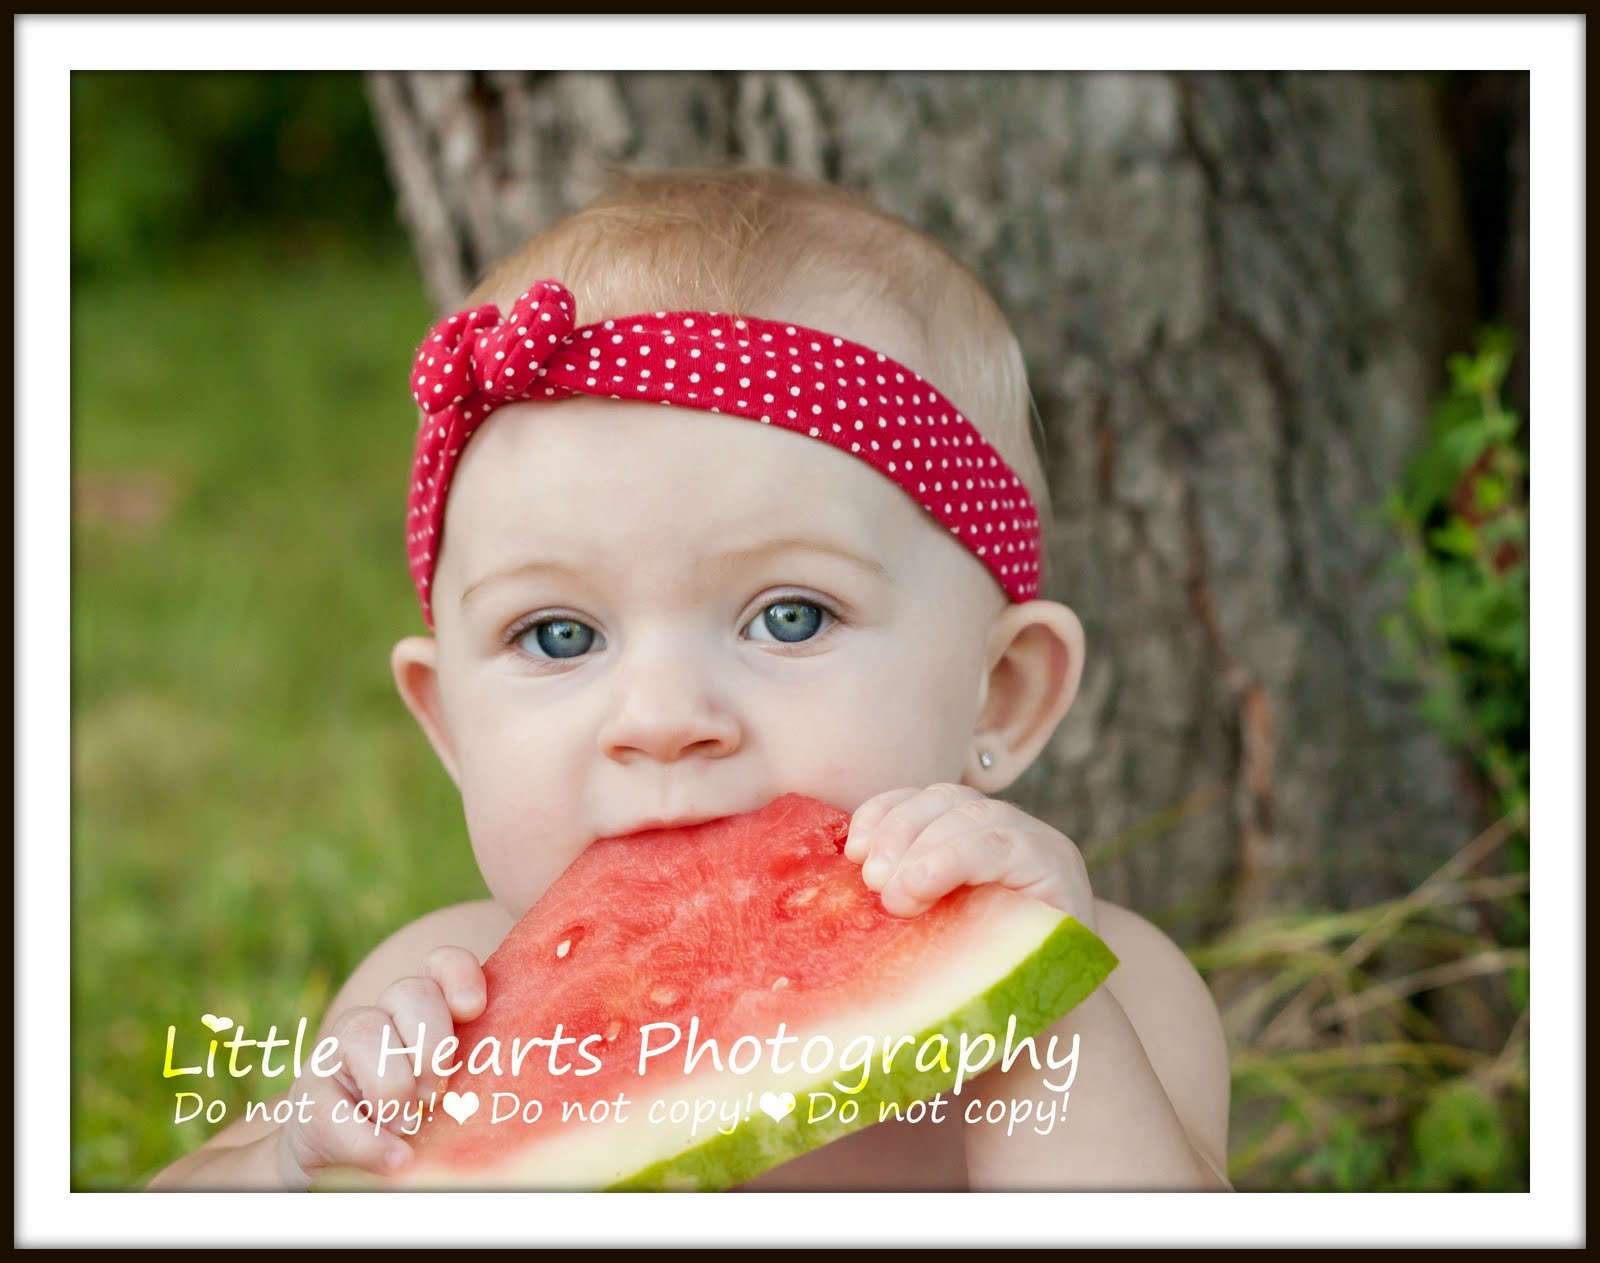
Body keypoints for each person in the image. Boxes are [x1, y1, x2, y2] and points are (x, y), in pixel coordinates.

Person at [149, 167, 1231, 1192]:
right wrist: (289, 1155)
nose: (663, 721)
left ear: (1003, 694)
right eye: (559, 636)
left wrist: (1037, 1009)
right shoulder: (435, 999)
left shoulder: (1121, 987)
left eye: (788, 617)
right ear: (449, 725)